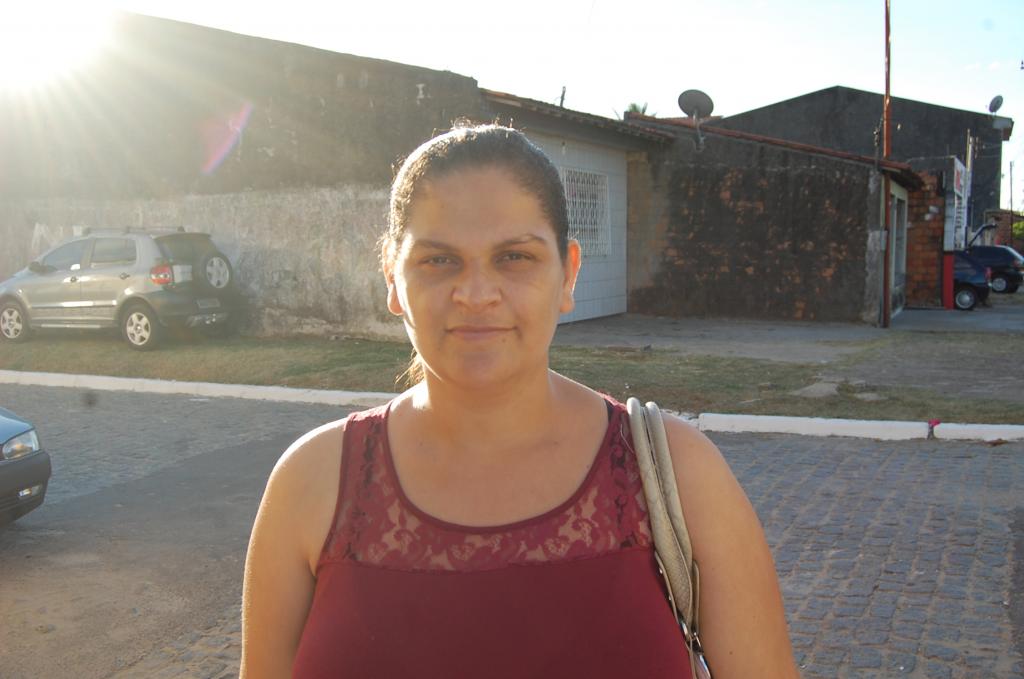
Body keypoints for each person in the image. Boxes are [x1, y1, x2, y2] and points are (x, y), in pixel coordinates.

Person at [240, 124, 799, 679]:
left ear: (568, 274)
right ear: (392, 277)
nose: (476, 294)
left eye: (514, 257)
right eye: (438, 260)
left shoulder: (680, 473)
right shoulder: (310, 485)